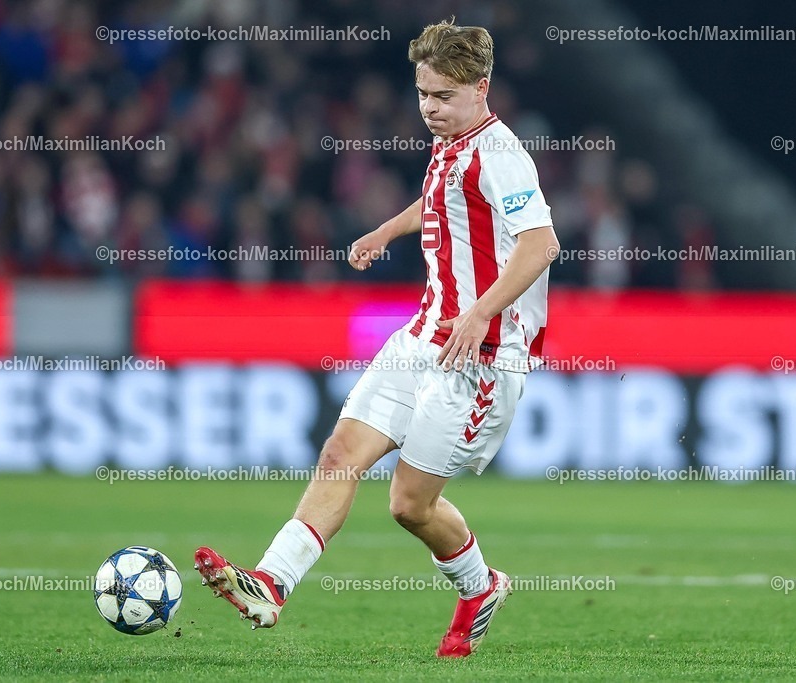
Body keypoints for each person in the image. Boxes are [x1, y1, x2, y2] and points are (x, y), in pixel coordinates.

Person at [194, 18, 559, 658]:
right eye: (422, 94)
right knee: (339, 453)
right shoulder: (453, 144)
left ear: (481, 88)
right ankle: (270, 585)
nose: (429, 108)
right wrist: (384, 232)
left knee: (409, 504)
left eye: (443, 96)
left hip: (481, 356)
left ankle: (480, 586)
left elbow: (540, 244)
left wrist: (479, 314)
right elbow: (441, 202)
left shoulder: (502, 154)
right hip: (423, 335)